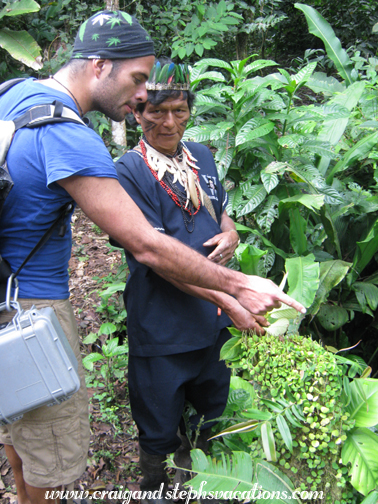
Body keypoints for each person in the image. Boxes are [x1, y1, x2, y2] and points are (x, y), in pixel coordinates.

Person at [0, 10, 305, 504]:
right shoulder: (69, 133)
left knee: (21, 435)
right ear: (100, 65)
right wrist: (239, 287)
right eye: (139, 79)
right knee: (52, 460)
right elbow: (146, 244)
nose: (144, 96)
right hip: (31, 310)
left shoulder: (18, 93)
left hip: (8, 298)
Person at [112, 59, 270, 502]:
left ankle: (207, 485)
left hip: (213, 323)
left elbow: (219, 207)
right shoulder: (126, 172)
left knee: (212, 416)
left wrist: (232, 231)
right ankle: (158, 490)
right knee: (159, 430)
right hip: (163, 327)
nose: (168, 122)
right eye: (156, 112)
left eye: (179, 110)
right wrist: (234, 296)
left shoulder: (200, 156)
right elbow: (159, 259)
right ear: (136, 113)